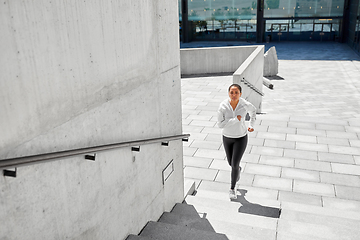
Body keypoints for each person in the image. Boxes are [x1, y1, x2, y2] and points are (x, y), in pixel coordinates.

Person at [217, 84, 256, 199]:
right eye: (232, 92)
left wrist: (251, 125)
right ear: (228, 93)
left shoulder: (244, 105)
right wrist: (235, 120)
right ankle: (238, 169)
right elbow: (220, 124)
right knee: (231, 163)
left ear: (240, 94)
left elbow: (253, 111)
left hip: (241, 138)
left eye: (236, 92)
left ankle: (232, 188)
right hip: (227, 138)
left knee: (234, 164)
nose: (234, 95)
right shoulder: (223, 106)